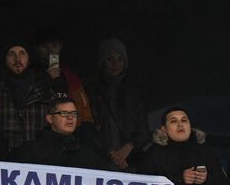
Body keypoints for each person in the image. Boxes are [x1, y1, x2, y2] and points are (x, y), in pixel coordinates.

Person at [88, 38, 150, 170]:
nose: (115, 63)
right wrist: (111, 153)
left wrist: (128, 147)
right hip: (99, 160)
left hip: (131, 161)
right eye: (110, 59)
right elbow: (88, 127)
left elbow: (144, 130)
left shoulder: (134, 92)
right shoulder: (92, 90)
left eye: (120, 59)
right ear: (102, 61)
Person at [143, 107, 230, 185]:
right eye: (173, 121)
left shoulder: (205, 152)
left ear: (190, 126)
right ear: (163, 129)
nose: (180, 124)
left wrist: (206, 180)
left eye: (184, 120)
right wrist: (180, 179)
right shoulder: (154, 153)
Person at [11, 97, 113, 169]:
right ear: (50, 118)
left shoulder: (86, 153)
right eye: (64, 113)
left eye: (73, 113)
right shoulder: (31, 150)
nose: (70, 117)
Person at [32, 27, 96, 142]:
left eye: (54, 46)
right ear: (37, 49)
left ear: (60, 47)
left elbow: (85, 113)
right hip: (39, 137)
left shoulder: (71, 76)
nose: (50, 51)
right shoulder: (29, 74)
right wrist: (45, 78)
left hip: (70, 138)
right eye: (44, 47)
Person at [0, 41, 56, 152]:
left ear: (29, 58)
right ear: (4, 59)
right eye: (11, 54)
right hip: (6, 159)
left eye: (22, 53)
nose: (17, 59)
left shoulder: (44, 89)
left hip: (39, 159)